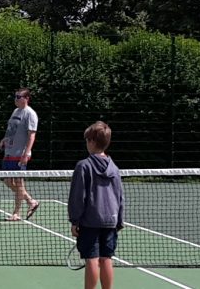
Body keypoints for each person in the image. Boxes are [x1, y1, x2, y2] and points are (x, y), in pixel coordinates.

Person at [69, 122, 122, 289]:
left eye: (87, 140)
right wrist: (119, 220)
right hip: (110, 221)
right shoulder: (114, 168)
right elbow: (120, 196)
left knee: (91, 258)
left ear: (92, 141)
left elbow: (78, 196)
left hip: (90, 221)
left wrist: (75, 220)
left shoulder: (83, 166)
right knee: (106, 258)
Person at [0, 88, 41, 220]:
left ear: (26, 98)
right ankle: (30, 201)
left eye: (18, 97)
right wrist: (4, 140)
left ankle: (16, 213)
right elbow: (11, 129)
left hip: (20, 154)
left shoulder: (30, 114)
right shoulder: (15, 111)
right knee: (7, 181)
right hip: (9, 152)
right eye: (15, 97)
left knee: (19, 183)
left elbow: (31, 136)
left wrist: (26, 153)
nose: (16, 99)